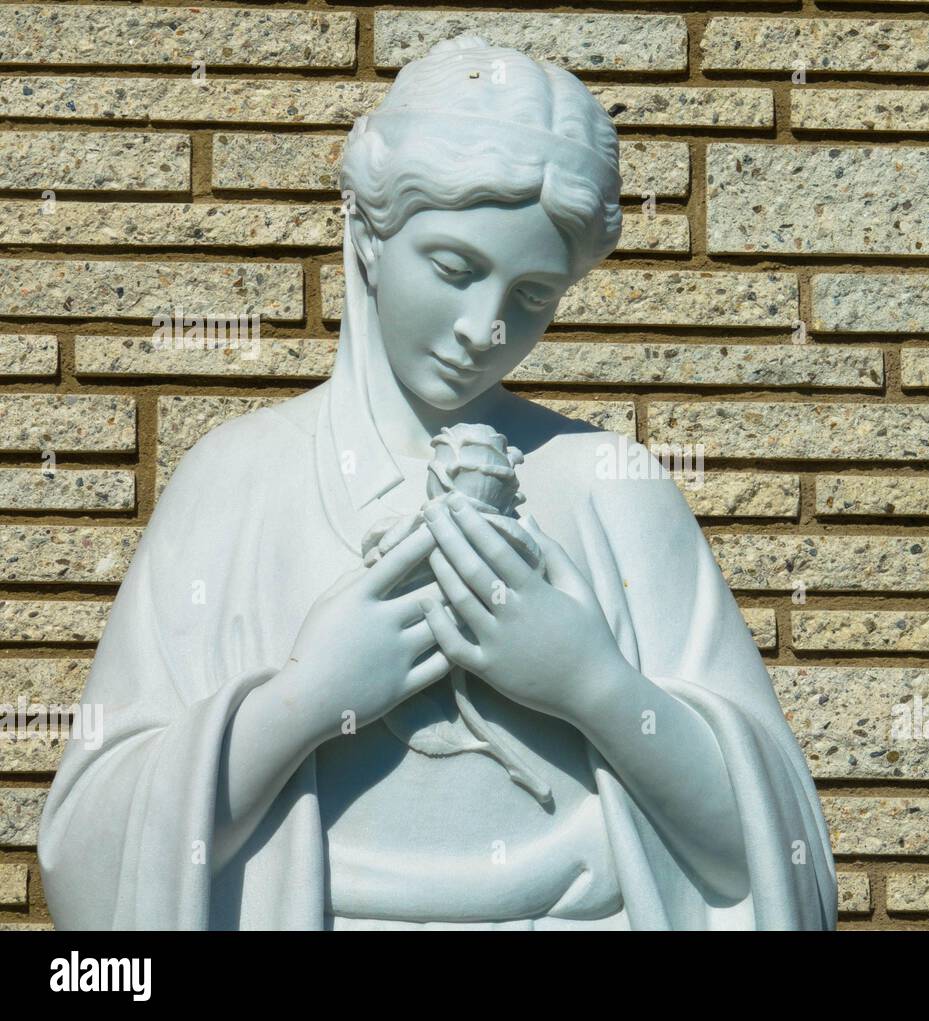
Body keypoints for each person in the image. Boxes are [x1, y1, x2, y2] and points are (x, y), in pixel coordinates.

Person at [37, 34, 836, 930]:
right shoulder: (238, 482)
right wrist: (302, 702)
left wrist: (593, 685)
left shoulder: (611, 488)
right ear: (370, 235)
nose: (484, 329)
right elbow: (86, 860)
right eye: (454, 269)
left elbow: (778, 863)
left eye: (532, 294)